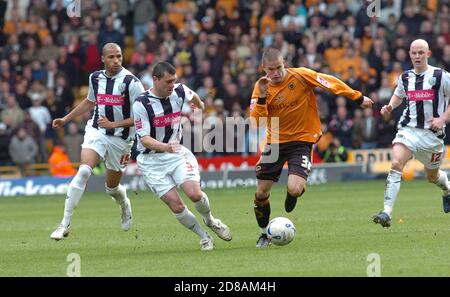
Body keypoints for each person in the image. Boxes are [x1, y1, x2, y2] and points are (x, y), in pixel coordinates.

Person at [250, 47, 374, 247]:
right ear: (263, 68)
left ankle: (294, 194)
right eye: (270, 69)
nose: (275, 73)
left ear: (285, 63)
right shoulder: (261, 87)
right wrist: (263, 97)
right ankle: (264, 234)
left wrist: (357, 97)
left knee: (295, 188)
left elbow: (330, 82)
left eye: (279, 68)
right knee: (261, 193)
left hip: (302, 140)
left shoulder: (301, 76)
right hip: (275, 143)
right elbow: (256, 123)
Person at [132, 62, 232, 251]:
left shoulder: (179, 91)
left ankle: (211, 220)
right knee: (177, 206)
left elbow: (192, 96)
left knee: (194, 194)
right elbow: (144, 139)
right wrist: (164, 147)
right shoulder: (141, 103)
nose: (172, 85)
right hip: (151, 161)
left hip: (177, 154)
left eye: (174, 81)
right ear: (155, 79)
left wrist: (199, 104)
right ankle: (204, 237)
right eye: (168, 81)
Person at [50, 43, 145, 240]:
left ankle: (124, 202)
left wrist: (113, 124)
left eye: (119, 56)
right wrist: (66, 119)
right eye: (111, 57)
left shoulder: (132, 82)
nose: (116, 60)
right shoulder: (95, 77)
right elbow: (89, 101)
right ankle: (64, 223)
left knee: (112, 189)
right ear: (103, 59)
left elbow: (141, 117)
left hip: (121, 140)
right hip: (97, 131)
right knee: (84, 170)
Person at [373, 39, 450, 228]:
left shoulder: (441, 76)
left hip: (432, 135)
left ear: (428, 54)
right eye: (414, 53)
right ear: (409, 54)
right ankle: (386, 212)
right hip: (408, 130)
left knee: (432, 176)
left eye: (421, 53)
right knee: (396, 162)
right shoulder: (405, 77)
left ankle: (447, 190)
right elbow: (399, 94)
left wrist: (442, 119)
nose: (417, 56)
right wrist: (390, 105)